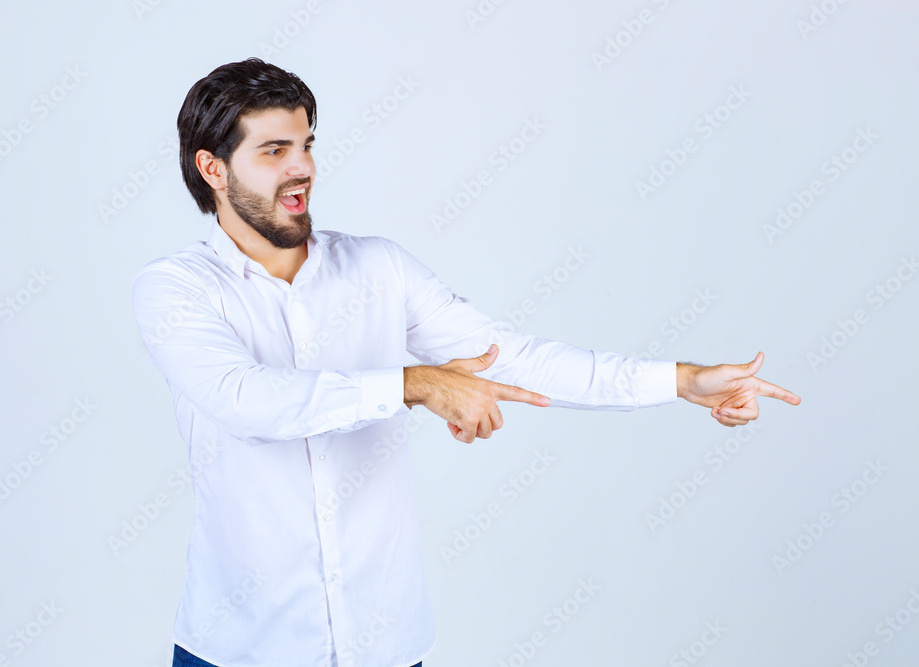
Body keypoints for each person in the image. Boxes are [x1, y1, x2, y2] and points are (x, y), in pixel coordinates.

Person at [132, 57, 801, 667]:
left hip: (385, 643)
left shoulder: (379, 268)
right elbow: (248, 401)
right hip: (239, 647)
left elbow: (514, 357)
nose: (301, 166)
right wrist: (416, 384)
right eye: (274, 150)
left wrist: (682, 381)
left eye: (306, 144)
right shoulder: (176, 288)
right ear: (212, 168)